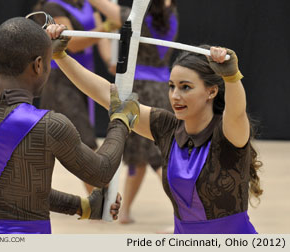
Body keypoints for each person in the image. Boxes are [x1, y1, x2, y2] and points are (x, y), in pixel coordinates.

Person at [49, 24, 263, 233]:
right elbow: (108, 96)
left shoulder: (228, 133)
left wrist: (232, 77)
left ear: (211, 92)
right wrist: (60, 55)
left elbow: (236, 112)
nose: (175, 96)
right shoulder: (167, 128)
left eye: (185, 87)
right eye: (172, 86)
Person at [0, 17, 139, 234]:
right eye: (49, 63)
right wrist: (120, 121)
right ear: (38, 65)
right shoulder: (49, 125)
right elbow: (101, 172)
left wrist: (83, 207)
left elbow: (18, 192)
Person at [88, 0, 178, 224]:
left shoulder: (137, 17)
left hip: (140, 90)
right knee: (141, 156)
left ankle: (188, 208)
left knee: (155, 158)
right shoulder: (172, 14)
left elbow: (105, 7)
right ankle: (125, 211)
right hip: (163, 88)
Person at [32, 0, 117, 194]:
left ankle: (103, 198)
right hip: (60, 79)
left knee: (66, 140)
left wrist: (110, 60)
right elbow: (74, 44)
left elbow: (101, 38)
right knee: (82, 139)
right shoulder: (53, 7)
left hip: (84, 77)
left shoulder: (87, 4)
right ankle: (100, 199)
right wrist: (107, 26)